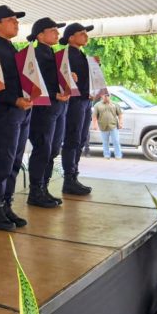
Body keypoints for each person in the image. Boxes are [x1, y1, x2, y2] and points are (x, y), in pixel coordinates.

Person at [0, 6, 31, 230]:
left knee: (14, 161)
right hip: (3, 112)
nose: (16, 23)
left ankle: (6, 205)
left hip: (20, 111)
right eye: (10, 20)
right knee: (2, 160)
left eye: (16, 20)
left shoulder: (13, 49)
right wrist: (14, 99)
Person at [26, 17, 70, 208]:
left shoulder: (54, 54)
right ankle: (36, 190)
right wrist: (54, 93)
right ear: (40, 35)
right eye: (53, 30)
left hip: (57, 107)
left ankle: (44, 187)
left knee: (52, 150)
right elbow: (35, 83)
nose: (57, 34)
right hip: (43, 109)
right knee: (42, 148)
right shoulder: (34, 55)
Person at [60, 23, 95, 195]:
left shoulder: (82, 54)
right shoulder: (67, 55)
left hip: (85, 100)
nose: (85, 36)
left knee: (80, 139)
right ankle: (69, 178)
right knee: (73, 139)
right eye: (81, 33)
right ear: (71, 37)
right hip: (74, 101)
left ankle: (74, 175)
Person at [93, 93, 123, 159]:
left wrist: (120, 123)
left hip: (113, 125)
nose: (106, 97)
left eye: (108, 95)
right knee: (105, 142)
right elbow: (94, 116)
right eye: (105, 95)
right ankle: (106, 155)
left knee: (116, 140)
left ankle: (118, 155)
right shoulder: (97, 105)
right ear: (101, 96)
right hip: (103, 126)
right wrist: (94, 125)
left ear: (110, 96)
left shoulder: (115, 104)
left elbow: (120, 115)